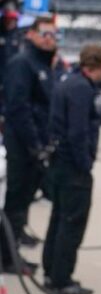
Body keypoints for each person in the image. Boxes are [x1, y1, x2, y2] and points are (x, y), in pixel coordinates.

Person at [42, 43, 101, 294]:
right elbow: (78, 132)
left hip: (60, 164)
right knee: (71, 224)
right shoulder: (82, 89)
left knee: (58, 219)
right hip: (73, 168)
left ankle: (51, 271)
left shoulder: (66, 82)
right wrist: (85, 164)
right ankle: (61, 279)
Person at [1, 15, 59, 275]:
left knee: (23, 202)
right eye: (45, 34)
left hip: (36, 145)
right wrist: (34, 145)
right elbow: (18, 108)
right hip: (22, 146)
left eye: (53, 35)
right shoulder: (22, 63)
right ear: (32, 35)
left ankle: (13, 249)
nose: (49, 40)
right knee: (15, 202)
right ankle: (7, 258)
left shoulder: (44, 65)